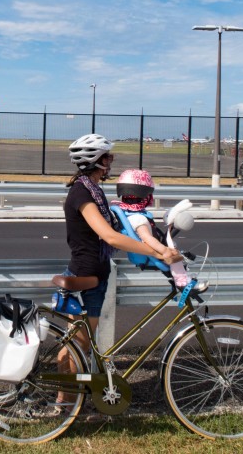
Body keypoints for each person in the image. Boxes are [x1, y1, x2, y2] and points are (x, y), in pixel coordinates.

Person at [62, 134, 181, 352]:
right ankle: (66, 387)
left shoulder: (92, 190)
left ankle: (74, 386)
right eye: (108, 157)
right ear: (96, 160)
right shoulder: (81, 193)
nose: (110, 163)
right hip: (85, 273)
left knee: (80, 346)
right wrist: (156, 253)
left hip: (94, 272)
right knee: (78, 346)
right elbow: (110, 237)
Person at [112, 168, 194, 289]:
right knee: (176, 256)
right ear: (145, 195)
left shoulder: (124, 213)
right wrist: (165, 251)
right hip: (151, 255)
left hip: (142, 254)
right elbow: (147, 238)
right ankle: (183, 282)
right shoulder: (139, 219)